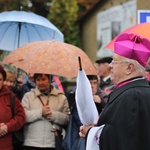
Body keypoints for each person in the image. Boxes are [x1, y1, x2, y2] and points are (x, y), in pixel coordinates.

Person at [79, 33, 150, 150]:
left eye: (115, 61)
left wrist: (90, 132)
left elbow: (121, 139)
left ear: (129, 68)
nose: (110, 66)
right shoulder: (137, 91)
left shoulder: (131, 95)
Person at [21, 73, 70, 150]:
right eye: (38, 80)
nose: (41, 83)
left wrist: (52, 115)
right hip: (31, 143)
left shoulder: (61, 97)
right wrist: (40, 113)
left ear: (50, 79)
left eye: (43, 79)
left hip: (53, 143)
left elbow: (67, 119)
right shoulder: (28, 96)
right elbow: (22, 116)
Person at [62, 75, 108, 150]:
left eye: (95, 83)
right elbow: (79, 121)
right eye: (90, 83)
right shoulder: (78, 98)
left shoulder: (104, 97)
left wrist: (101, 102)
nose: (92, 86)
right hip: (82, 138)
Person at [0, 65, 26, 150]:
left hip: (5, 146)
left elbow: (21, 117)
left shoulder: (11, 97)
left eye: (0, 79)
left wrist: (7, 127)